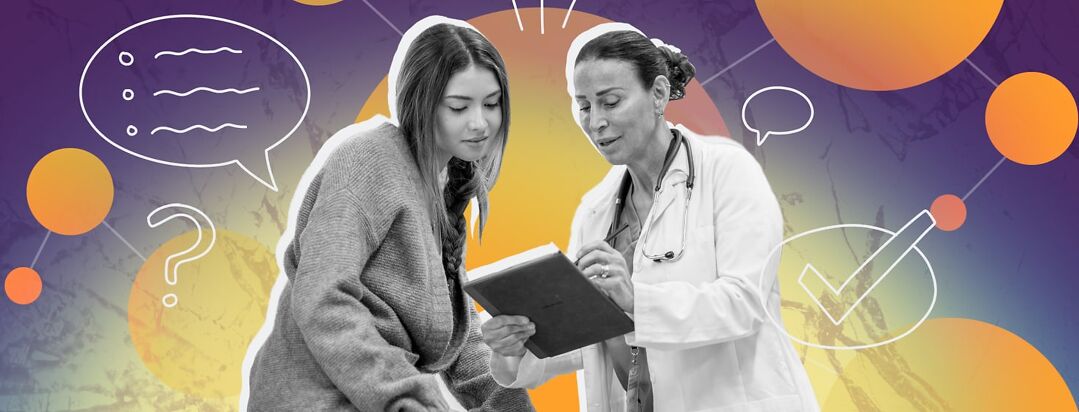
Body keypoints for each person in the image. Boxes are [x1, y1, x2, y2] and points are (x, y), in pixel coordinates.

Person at [480, 24, 819, 411]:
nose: (595, 122)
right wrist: (519, 343)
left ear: (658, 94)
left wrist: (635, 300)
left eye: (610, 101)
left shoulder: (727, 172)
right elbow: (592, 340)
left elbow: (744, 303)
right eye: (585, 105)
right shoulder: (595, 212)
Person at [245, 18, 534, 411]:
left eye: (492, 103)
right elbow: (322, 295)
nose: (480, 123)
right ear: (421, 102)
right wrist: (405, 398)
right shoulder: (369, 160)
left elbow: (457, 333)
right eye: (459, 106)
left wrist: (510, 403)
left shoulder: (444, 186)